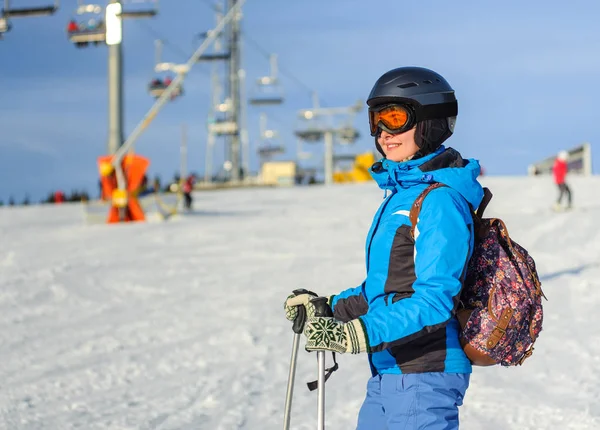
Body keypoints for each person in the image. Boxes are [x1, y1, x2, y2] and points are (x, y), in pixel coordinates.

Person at [284, 66, 485, 430]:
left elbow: (434, 300)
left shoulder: (439, 201)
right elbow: (387, 287)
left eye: (395, 118)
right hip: (390, 368)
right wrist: (330, 308)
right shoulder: (401, 195)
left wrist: (360, 333)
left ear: (430, 121)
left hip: (425, 372)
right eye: (377, 120)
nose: (383, 133)